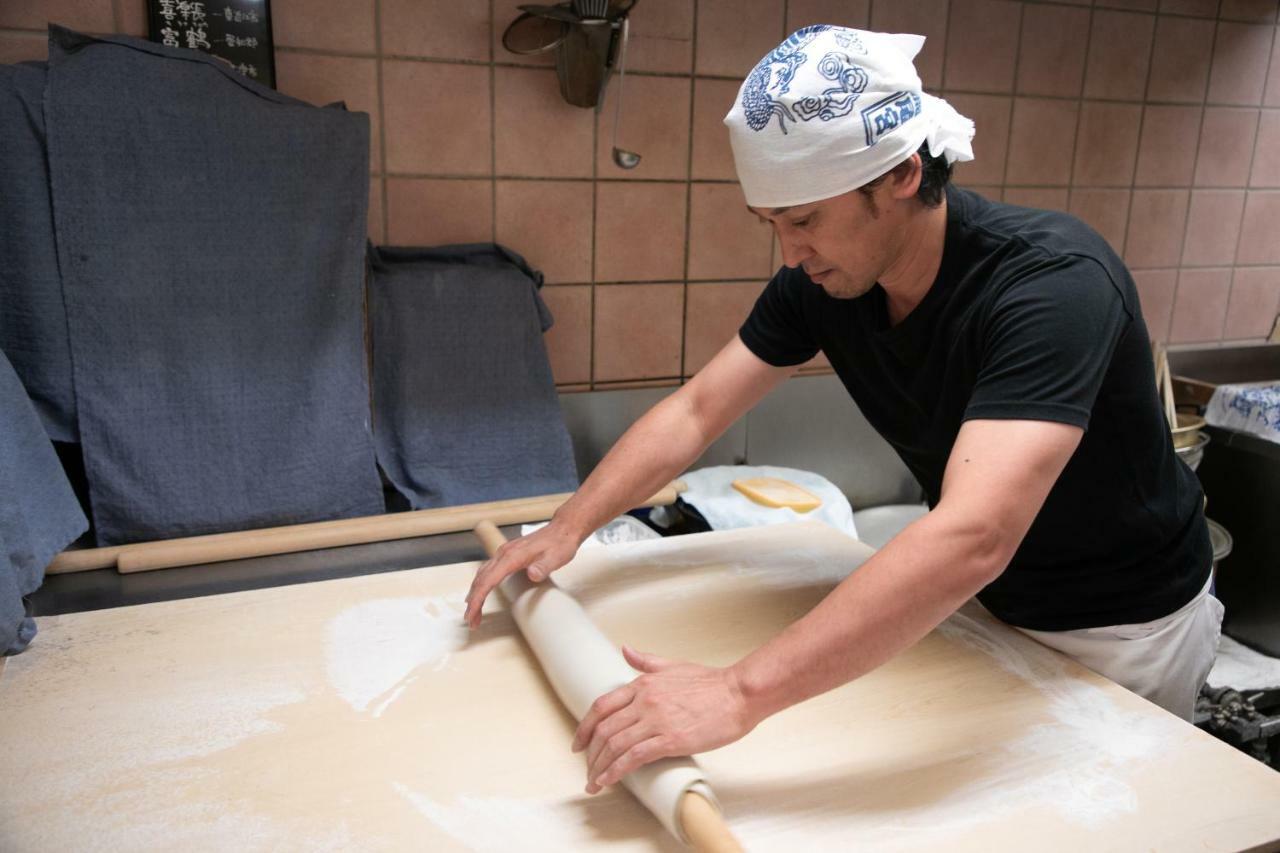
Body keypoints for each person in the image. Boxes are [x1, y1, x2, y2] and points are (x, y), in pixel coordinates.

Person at [464, 26, 1222, 796]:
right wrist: (566, 530)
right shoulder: (829, 282)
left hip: (1126, 631)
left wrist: (735, 692)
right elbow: (696, 411)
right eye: (773, 225)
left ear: (900, 175)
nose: (789, 255)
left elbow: (975, 533)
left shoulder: (1052, 286)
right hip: (987, 611)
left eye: (804, 220)